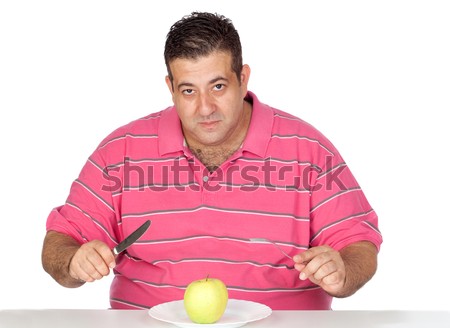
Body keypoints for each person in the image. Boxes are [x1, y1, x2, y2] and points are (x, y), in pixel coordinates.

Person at [42, 12, 382, 310]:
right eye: (188, 90)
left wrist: (344, 271)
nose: (204, 108)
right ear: (170, 87)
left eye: (218, 86)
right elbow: (60, 242)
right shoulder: (120, 152)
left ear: (243, 78)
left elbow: (357, 241)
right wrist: (74, 262)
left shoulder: (309, 149)